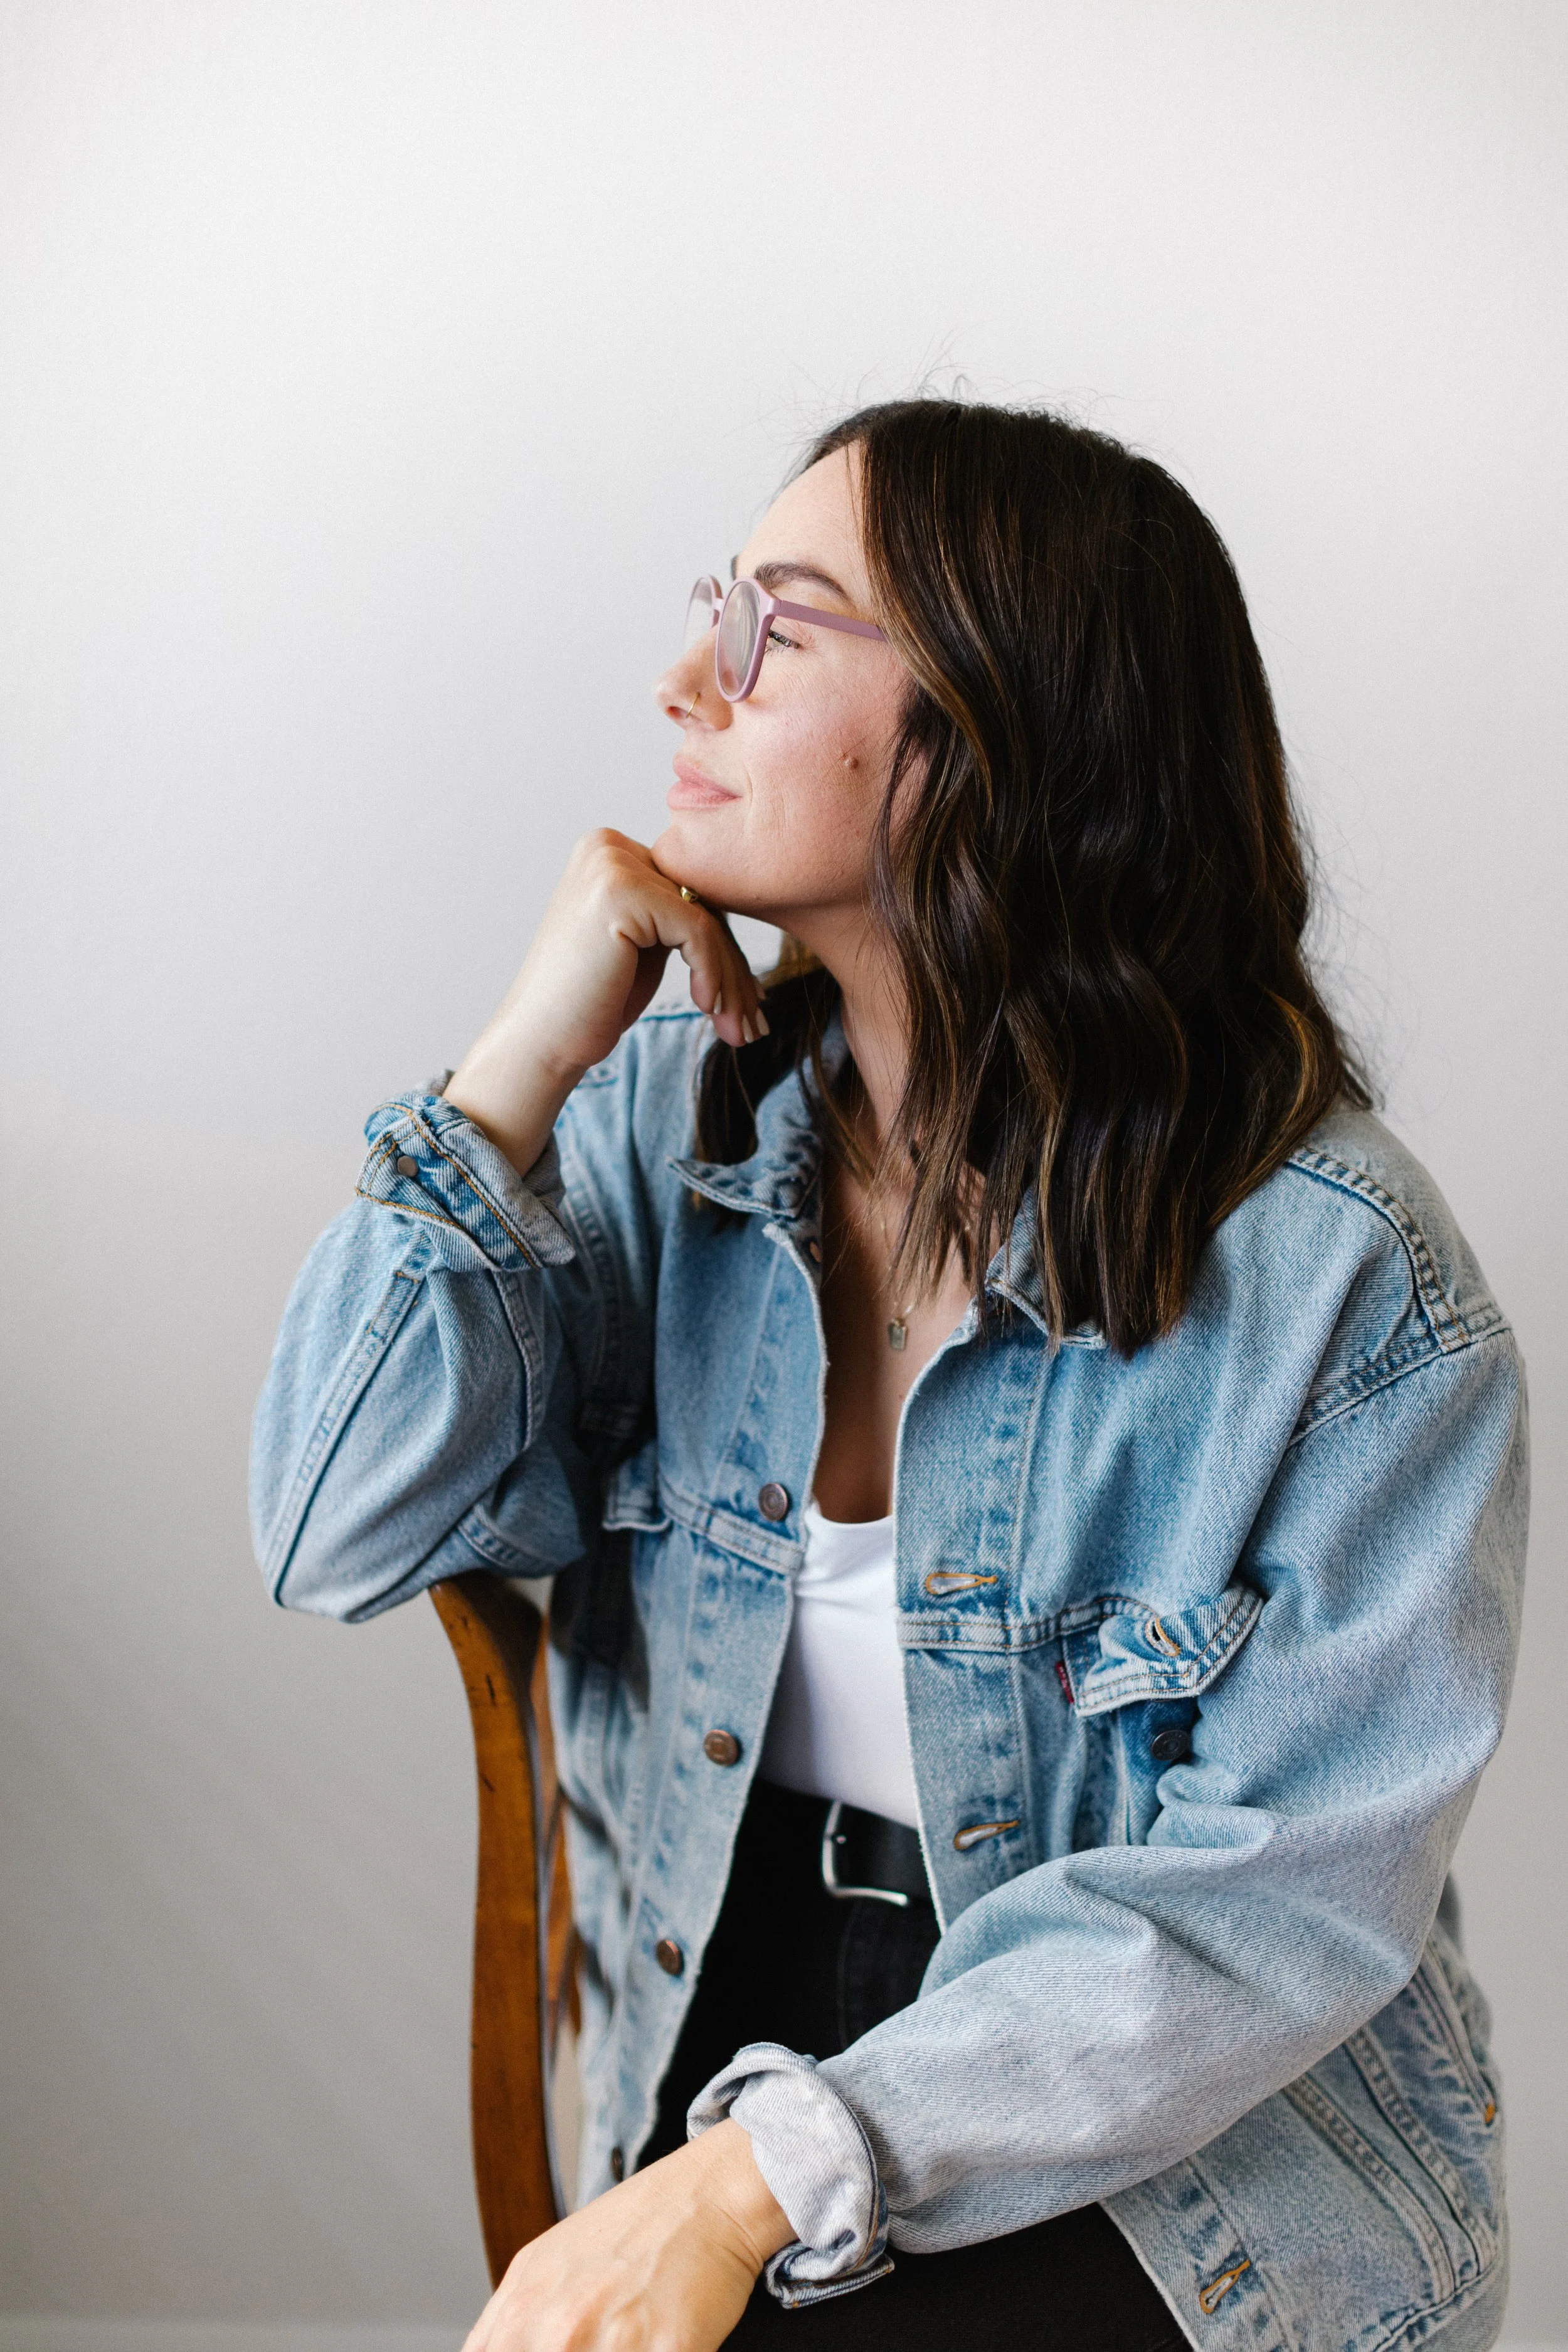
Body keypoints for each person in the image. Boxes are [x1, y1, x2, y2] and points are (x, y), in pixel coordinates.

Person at [251, 400, 1527, 2352]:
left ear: (1004, 727)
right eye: (716, 609)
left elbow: (1281, 1904)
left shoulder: (1337, 1278)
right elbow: (330, 1520)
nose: (687, 680)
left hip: (1177, 2119)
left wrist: (759, 2173)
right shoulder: (656, 1142)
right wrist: (510, 1075)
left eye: (779, 623)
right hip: (732, 1984)